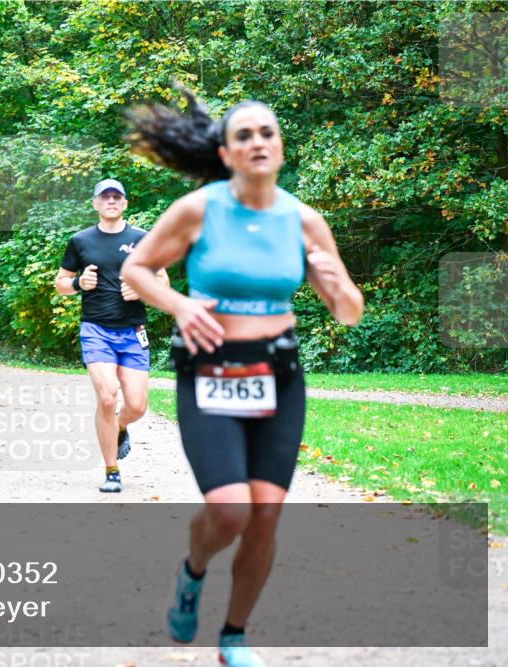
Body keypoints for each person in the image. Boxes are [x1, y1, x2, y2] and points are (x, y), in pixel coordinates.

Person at [120, 89, 363, 667]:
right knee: (231, 509)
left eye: (267, 133)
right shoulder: (199, 209)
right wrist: (180, 306)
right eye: (244, 135)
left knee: (266, 514)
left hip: (278, 374)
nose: (258, 142)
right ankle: (193, 570)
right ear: (227, 154)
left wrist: (333, 283)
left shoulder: (304, 220)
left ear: (280, 147)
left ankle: (233, 635)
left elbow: (349, 309)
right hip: (208, 373)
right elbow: (137, 268)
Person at [54, 178, 168, 493]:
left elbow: (163, 283)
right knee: (107, 397)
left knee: (137, 406)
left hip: (133, 332)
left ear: (126, 203)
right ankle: (112, 470)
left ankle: (120, 426)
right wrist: (78, 285)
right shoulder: (80, 241)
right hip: (96, 330)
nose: (111, 201)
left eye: (117, 197)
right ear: (95, 203)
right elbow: (61, 283)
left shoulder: (143, 239)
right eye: (105, 197)